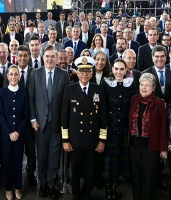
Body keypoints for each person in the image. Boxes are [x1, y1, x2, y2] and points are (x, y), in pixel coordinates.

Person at [61, 56, 108, 200]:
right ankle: (76, 194)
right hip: (75, 139)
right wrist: (65, 140)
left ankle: (87, 192)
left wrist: (102, 140)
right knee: (75, 170)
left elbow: (103, 117)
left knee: (90, 169)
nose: (85, 74)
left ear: (92, 73)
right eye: (82, 71)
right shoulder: (70, 89)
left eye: (88, 71)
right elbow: (64, 117)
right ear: (77, 73)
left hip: (92, 139)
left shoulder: (98, 90)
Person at [29, 45, 70, 199]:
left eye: (53, 56)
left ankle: (52, 184)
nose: (50, 59)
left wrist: (64, 123)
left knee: (54, 157)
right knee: (42, 156)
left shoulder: (64, 75)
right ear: (43, 57)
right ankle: (43, 184)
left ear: (57, 58)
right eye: (47, 56)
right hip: (40, 123)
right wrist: (33, 119)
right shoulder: (35, 73)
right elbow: (31, 97)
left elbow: (66, 102)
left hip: (57, 124)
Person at [101, 58, 137, 199]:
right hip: (111, 126)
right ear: (112, 69)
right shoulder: (106, 83)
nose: (119, 72)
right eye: (116, 69)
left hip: (125, 126)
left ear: (126, 70)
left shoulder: (131, 84)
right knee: (110, 157)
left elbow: (135, 104)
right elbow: (102, 107)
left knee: (121, 157)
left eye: (122, 69)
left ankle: (115, 184)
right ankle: (109, 187)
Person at [129, 73, 168, 200]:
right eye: (142, 85)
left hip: (151, 148)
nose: (144, 88)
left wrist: (163, 149)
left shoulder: (159, 103)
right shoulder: (134, 99)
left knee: (149, 178)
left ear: (153, 87)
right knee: (136, 177)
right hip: (134, 146)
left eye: (147, 85)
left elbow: (163, 127)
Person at [0, 65, 29, 200]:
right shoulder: (2, 92)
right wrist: (10, 132)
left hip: (19, 135)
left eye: (16, 74)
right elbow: (1, 115)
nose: (14, 77)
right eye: (11, 74)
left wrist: (18, 132)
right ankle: (8, 188)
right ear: (7, 76)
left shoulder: (24, 92)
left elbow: (26, 115)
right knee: (7, 162)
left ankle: (17, 187)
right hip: (6, 135)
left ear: (19, 76)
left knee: (18, 162)